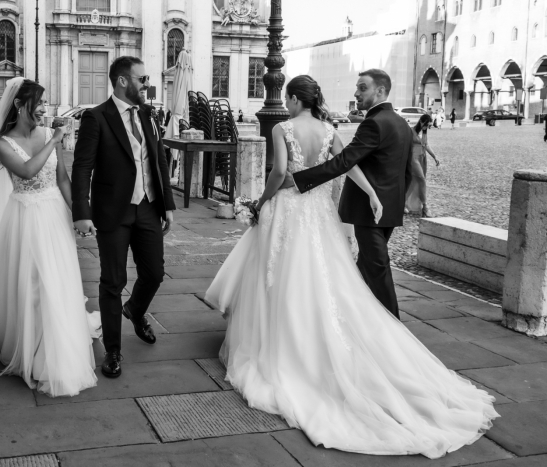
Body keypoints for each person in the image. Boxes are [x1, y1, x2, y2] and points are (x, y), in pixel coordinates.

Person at [204, 74, 498, 459]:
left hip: (290, 207)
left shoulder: (282, 127)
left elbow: (278, 174)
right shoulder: (329, 129)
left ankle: (284, 342)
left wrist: (260, 202)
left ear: (293, 99)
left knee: (278, 274)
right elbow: (348, 166)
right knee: (323, 275)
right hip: (319, 215)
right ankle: (319, 330)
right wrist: (373, 194)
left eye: (287, 98)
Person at [0, 78, 100, 397]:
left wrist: (82, 213)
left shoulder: (44, 133)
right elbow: (26, 171)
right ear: (20, 106)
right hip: (26, 218)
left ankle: (55, 344)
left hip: (54, 215)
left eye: (44, 102)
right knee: (34, 285)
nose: (43, 109)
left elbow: (62, 178)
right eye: (38, 103)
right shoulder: (1, 143)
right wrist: (54, 140)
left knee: (58, 280)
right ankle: (36, 353)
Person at [72, 56, 176, 379]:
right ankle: (113, 350)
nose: (147, 84)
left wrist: (167, 205)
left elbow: (158, 159)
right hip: (112, 212)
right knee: (113, 282)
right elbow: (82, 167)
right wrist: (82, 213)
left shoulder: (147, 115)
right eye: (142, 79)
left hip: (148, 207)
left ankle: (136, 310)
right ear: (122, 82)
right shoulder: (96, 118)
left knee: (155, 273)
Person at [280, 69, 412, 319]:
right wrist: (398, 203)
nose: (356, 93)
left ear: (380, 91)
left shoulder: (374, 122)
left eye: (363, 88)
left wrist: (300, 178)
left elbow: (344, 161)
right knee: (365, 267)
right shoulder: (401, 122)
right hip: (389, 208)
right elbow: (407, 171)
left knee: (377, 269)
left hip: (368, 211)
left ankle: (393, 328)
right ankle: (358, 317)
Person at [406, 114, 441, 217]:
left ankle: (403, 203)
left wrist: (435, 157)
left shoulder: (424, 133)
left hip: (422, 158)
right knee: (421, 179)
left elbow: (426, 145)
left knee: (413, 182)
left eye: (429, 125)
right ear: (421, 121)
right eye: (426, 125)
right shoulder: (411, 131)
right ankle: (425, 206)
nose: (427, 127)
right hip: (413, 158)